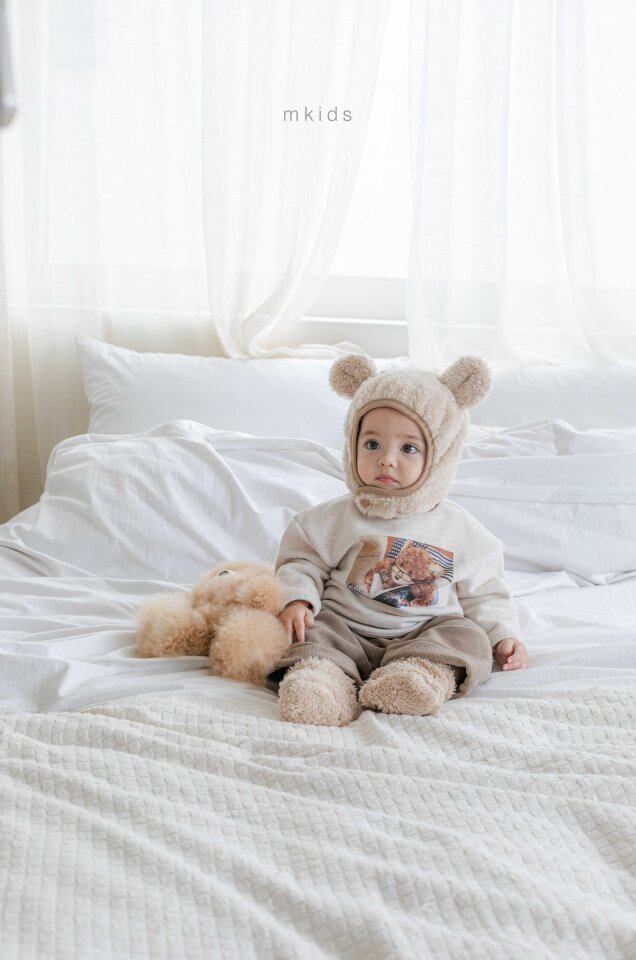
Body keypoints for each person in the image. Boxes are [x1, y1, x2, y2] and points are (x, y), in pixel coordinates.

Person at [265, 353, 528, 726]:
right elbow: (300, 561)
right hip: (344, 627)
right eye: (372, 444)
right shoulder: (332, 519)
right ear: (352, 444)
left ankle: (416, 677)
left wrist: (503, 635)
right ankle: (320, 682)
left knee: (467, 638)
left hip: (423, 632)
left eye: (408, 448)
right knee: (307, 633)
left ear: (439, 455)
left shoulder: (460, 529)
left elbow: (485, 593)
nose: (387, 459)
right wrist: (298, 599)